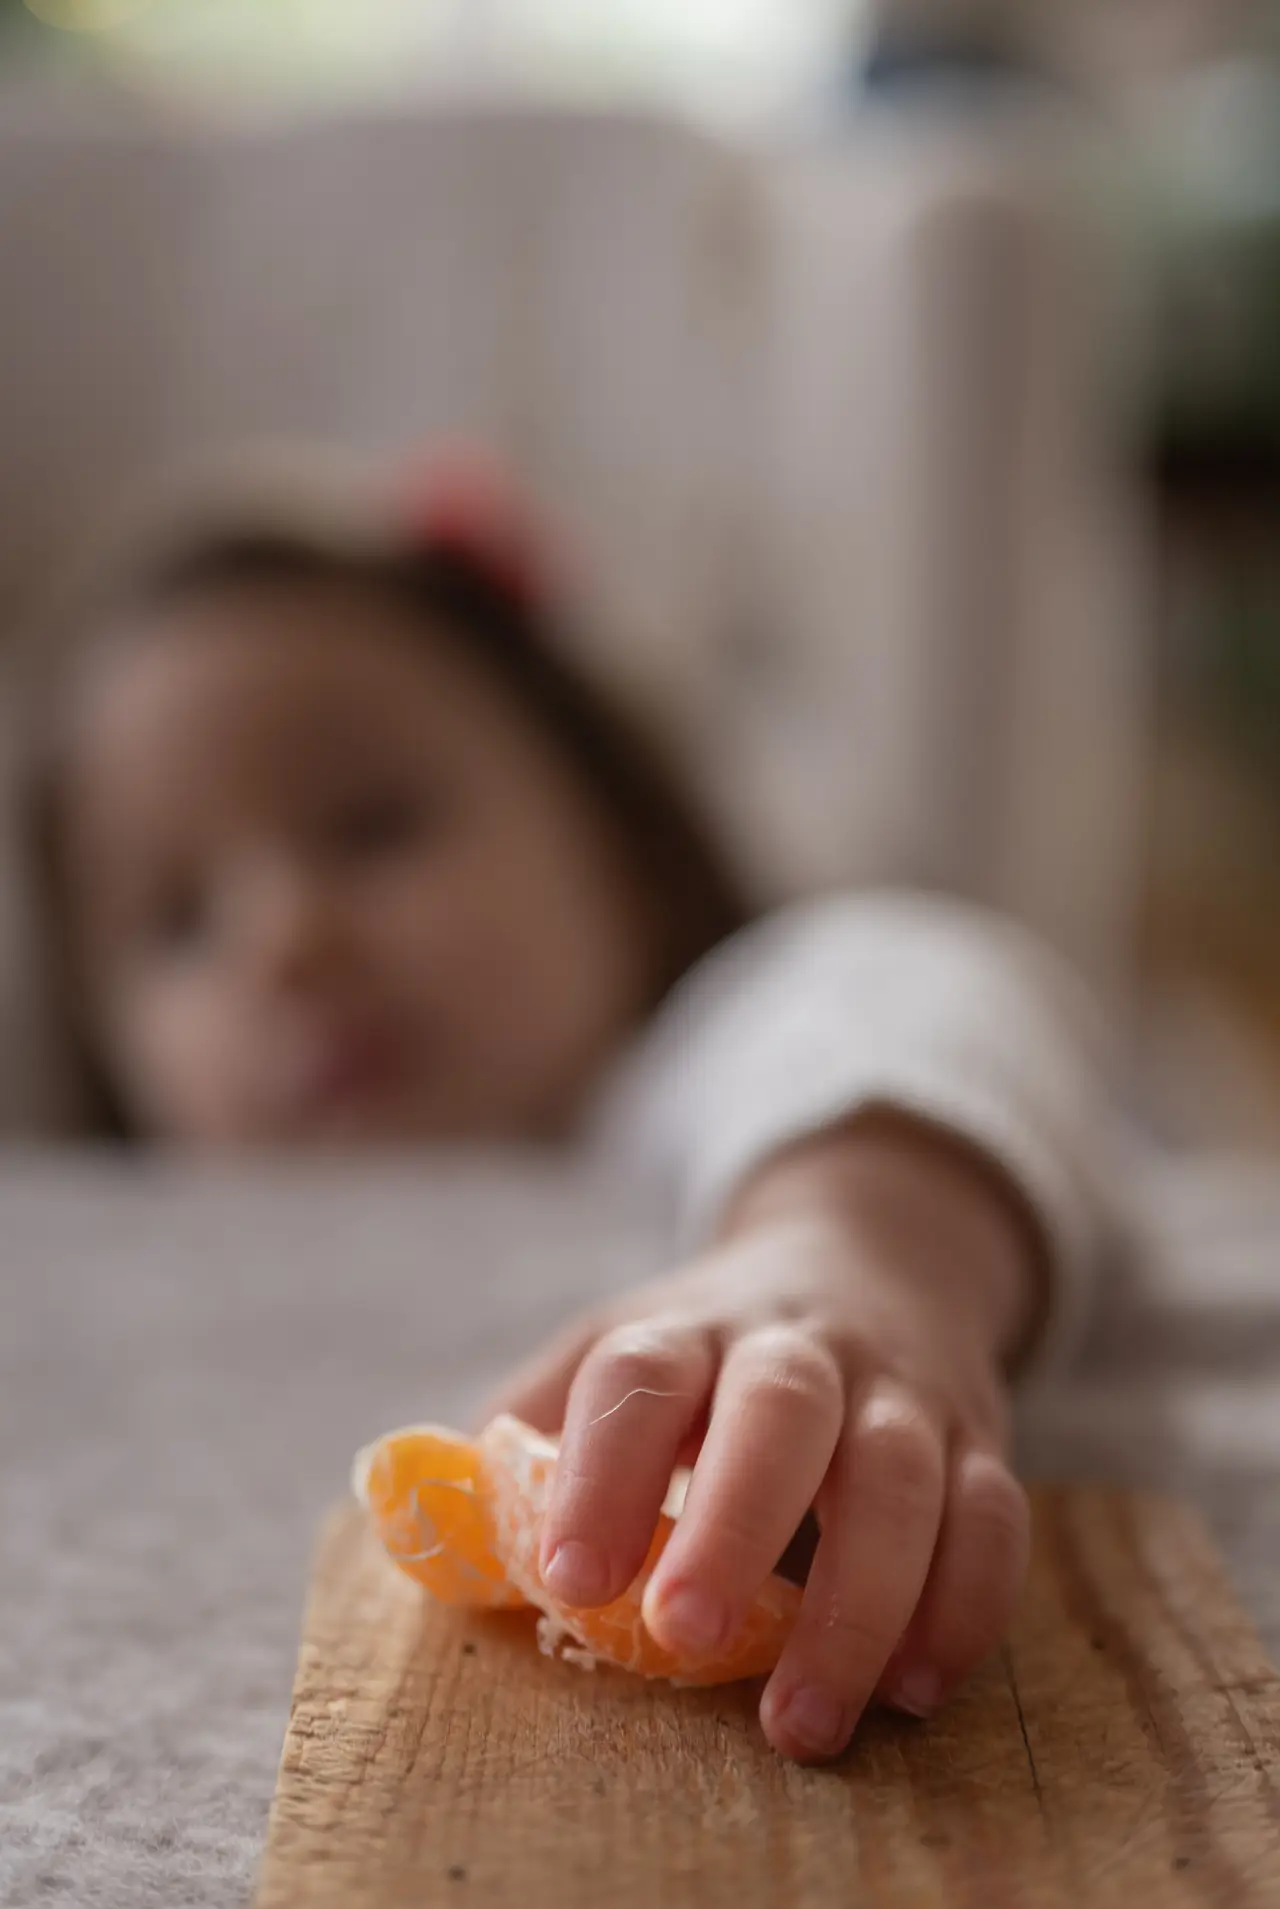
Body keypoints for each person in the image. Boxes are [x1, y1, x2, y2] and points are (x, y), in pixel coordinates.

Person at [16, 447, 1109, 1765]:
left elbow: (896, 984)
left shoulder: (676, 1085)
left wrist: (853, 1238)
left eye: (370, 824)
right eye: (177, 918)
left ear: (621, 844)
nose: (283, 938)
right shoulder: (142, 1278)